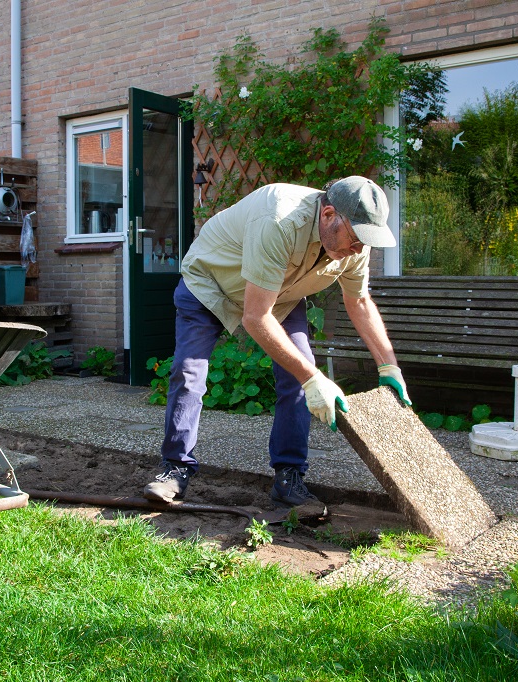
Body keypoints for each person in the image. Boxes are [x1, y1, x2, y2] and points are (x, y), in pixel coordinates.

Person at [143, 176, 411, 508]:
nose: (357, 250)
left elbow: (358, 302)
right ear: (328, 215)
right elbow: (255, 317)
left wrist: (389, 366)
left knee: (299, 378)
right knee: (189, 372)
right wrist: (314, 377)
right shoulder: (280, 218)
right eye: (355, 239)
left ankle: (289, 476)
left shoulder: (354, 244)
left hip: (278, 297)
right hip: (210, 283)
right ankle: (175, 469)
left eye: (364, 242)